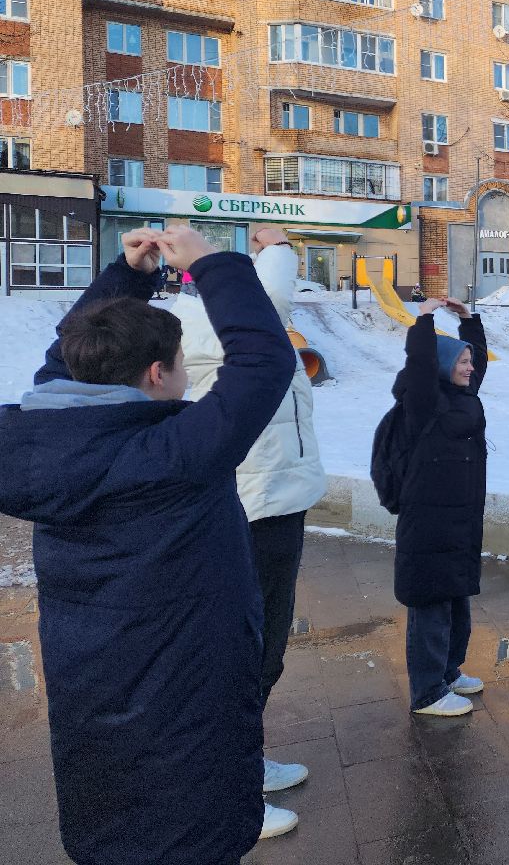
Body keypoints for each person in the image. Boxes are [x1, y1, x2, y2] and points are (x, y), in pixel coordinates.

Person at [0, 226, 298, 863]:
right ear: (159, 374)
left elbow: (68, 369)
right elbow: (265, 361)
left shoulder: (31, 443)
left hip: (92, 695)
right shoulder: (174, 455)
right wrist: (214, 265)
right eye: (184, 366)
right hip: (185, 700)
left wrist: (126, 281)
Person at [170, 225, 327, 826]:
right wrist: (280, 246)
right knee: (242, 653)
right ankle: (227, 792)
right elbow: (268, 304)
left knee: (267, 649)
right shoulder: (197, 319)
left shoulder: (238, 325)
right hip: (250, 504)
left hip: (279, 501)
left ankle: (246, 759)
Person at [388, 296, 489, 716]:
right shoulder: (423, 403)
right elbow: (422, 363)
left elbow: (478, 364)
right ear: (442, 367)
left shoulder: (462, 397)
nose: (469, 368)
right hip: (429, 519)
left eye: (469, 362)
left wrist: (469, 322)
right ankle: (427, 692)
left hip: (460, 519)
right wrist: (424, 320)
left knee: (456, 599)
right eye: (461, 362)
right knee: (431, 603)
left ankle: (448, 671)